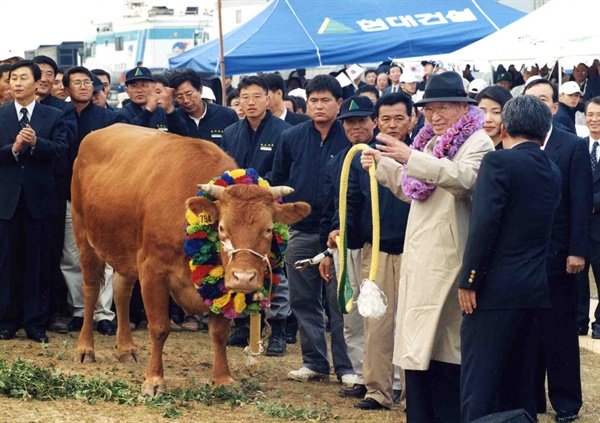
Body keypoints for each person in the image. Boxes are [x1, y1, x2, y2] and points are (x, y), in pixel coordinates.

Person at [360, 71, 494, 422]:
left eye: (444, 108)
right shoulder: (431, 142)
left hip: (450, 260)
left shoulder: (478, 141)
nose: (435, 116)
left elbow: (465, 180)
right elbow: (413, 189)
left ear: (464, 107)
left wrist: (408, 158)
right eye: (430, 108)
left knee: (446, 349)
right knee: (419, 351)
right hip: (422, 256)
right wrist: (385, 166)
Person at [458, 95, 562, 422]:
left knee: (480, 382)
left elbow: (485, 224)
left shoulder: (499, 162)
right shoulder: (552, 169)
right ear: (545, 133)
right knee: (520, 385)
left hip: (494, 291)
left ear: (503, 129)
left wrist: (469, 279)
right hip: (533, 289)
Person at [329, 94, 413, 410]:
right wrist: (341, 231)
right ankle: (377, 390)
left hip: (413, 252)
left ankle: (411, 393)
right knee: (375, 324)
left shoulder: (422, 153)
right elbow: (350, 200)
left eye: (399, 118)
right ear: (377, 121)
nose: (392, 124)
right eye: (386, 118)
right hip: (375, 250)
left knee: (410, 324)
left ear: (412, 119)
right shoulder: (365, 155)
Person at [271, 75, 355, 385]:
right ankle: (315, 362)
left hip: (339, 234)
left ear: (339, 103)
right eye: (313, 101)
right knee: (303, 300)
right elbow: (277, 178)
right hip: (302, 231)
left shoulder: (348, 137)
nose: (319, 106)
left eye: (325, 100)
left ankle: (347, 367)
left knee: (339, 303)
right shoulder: (291, 137)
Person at [524, 78, 592, 423]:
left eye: (543, 100)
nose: (536, 105)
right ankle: (531, 399)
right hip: (522, 259)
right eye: (530, 99)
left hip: (560, 257)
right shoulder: (511, 145)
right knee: (527, 331)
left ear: (554, 107)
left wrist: (577, 250)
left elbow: (580, 203)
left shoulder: (571, 146)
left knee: (560, 333)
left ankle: (566, 402)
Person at [220, 76, 292, 355]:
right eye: (244, 98)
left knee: (275, 269)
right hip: (238, 213)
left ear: (269, 99)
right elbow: (227, 172)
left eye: (256, 97)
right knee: (238, 262)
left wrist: (258, 192)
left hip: (267, 209)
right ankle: (242, 325)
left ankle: (279, 329)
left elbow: (283, 172)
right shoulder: (231, 132)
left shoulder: (284, 131)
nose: (250, 103)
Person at [0, 60, 69, 343]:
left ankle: (35, 323)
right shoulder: (1, 114)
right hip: (7, 201)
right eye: (12, 78)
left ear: (38, 83)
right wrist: (13, 149)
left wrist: (36, 143)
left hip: (40, 201)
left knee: (37, 263)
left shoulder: (53, 116)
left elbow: (63, 151)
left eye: (23, 78)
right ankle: (6, 321)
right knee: (6, 263)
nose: (16, 83)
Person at [60, 67, 125, 335]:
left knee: (106, 257)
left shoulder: (109, 119)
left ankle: (104, 314)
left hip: (103, 197)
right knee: (72, 257)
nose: (84, 86)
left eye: (88, 82)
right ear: (66, 89)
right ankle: (79, 310)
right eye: (77, 82)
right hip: (68, 195)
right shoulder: (57, 116)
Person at [577, 96, 600, 339]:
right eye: (590, 114)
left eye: (599, 115)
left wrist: (588, 203)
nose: (594, 119)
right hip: (580, 225)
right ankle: (579, 320)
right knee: (578, 280)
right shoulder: (578, 146)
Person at [169, 68, 238, 144]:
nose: (186, 100)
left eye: (189, 94)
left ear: (200, 90)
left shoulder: (227, 115)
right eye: (179, 97)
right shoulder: (173, 119)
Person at [117, 66, 188, 135]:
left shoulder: (162, 111)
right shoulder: (121, 114)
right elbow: (130, 136)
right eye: (134, 86)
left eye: (144, 85)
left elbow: (183, 134)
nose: (139, 90)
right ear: (127, 91)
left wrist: (170, 111)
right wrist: (148, 111)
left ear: (152, 87)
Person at [475, 85, 513, 150]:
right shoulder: (469, 146)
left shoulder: (512, 150)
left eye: (496, 112)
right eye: (482, 112)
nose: (488, 119)